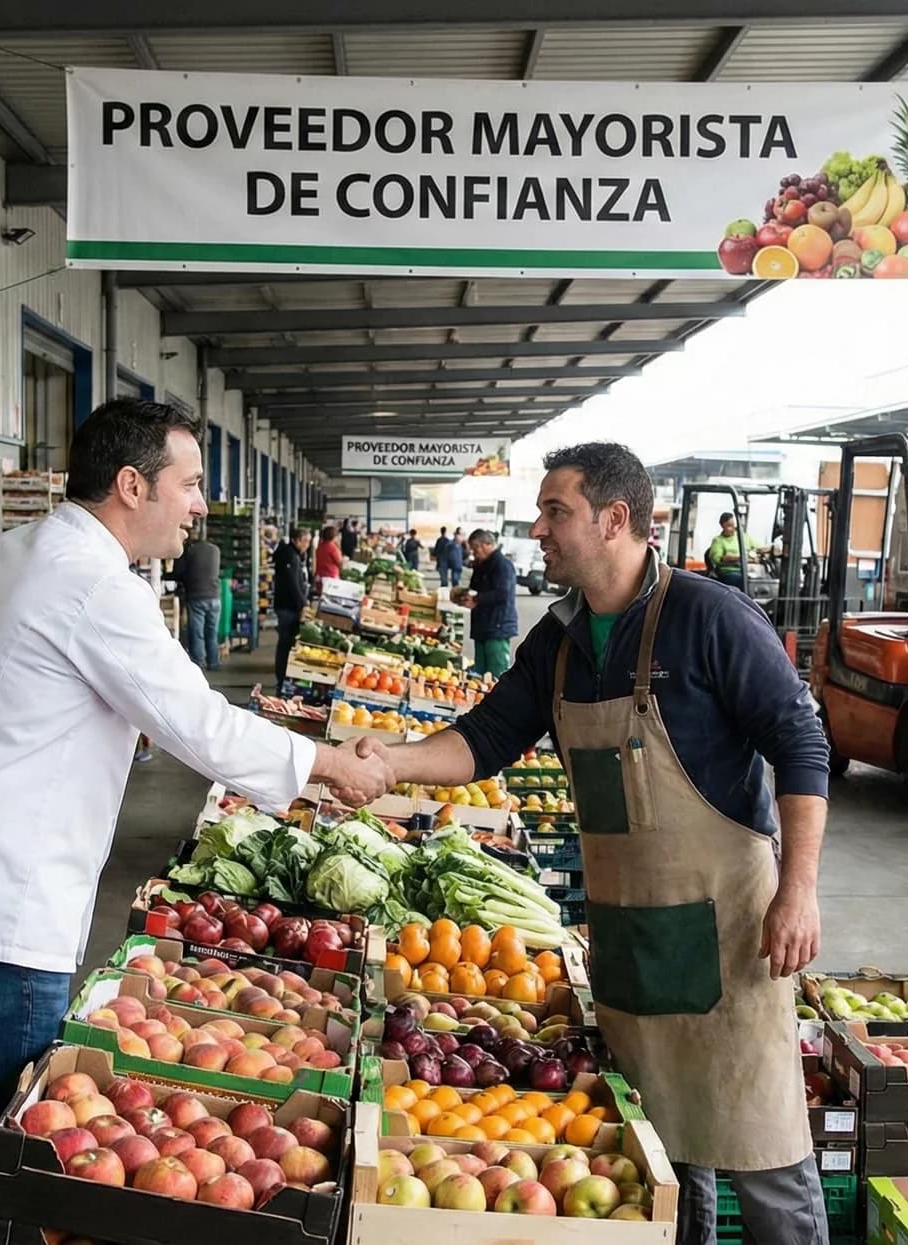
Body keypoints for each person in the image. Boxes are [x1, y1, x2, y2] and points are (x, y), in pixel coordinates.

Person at [0, 400, 392, 1245]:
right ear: (133, 485)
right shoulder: (93, 585)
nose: (199, 505)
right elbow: (200, 725)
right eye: (190, 483)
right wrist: (331, 765)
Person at [359, 442, 831, 1245]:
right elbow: (484, 739)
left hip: (730, 935)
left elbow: (802, 743)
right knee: (665, 1157)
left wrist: (799, 888)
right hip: (630, 940)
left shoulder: (710, 618)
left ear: (616, 521)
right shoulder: (562, 640)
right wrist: (385, 763)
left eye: (556, 511)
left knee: (763, 1151)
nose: (538, 529)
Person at [460, 529, 518, 676]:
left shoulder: (502, 565)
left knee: (496, 671)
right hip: (482, 625)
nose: (474, 553)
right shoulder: (481, 565)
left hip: (497, 626)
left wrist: (477, 598)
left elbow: (503, 594)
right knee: (480, 672)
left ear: (487, 544)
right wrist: (466, 596)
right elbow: (475, 588)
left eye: (475, 548)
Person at [274, 526, 313, 690]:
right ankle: (281, 678)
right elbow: (293, 584)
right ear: (296, 540)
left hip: (288, 605)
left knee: (287, 642)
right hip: (287, 607)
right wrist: (303, 604)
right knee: (285, 643)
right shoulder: (291, 557)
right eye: (305, 541)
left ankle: (282, 677)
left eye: (309, 541)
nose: (308, 545)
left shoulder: (295, 555)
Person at [179, 530, 221, 671]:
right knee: (212, 632)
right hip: (215, 597)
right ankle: (214, 663)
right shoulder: (215, 550)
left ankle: (198, 663)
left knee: (197, 633)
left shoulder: (189, 551)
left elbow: (180, 572)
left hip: (197, 597)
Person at [705, 511, 757, 589]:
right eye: (729, 526)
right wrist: (740, 558)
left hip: (748, 570)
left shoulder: (744, 537)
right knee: (742, 581)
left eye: (734, 525)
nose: (733, 528)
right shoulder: (718, 540)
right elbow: (717, 559)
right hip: (730, 572)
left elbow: (757, 548)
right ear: (722, 526)